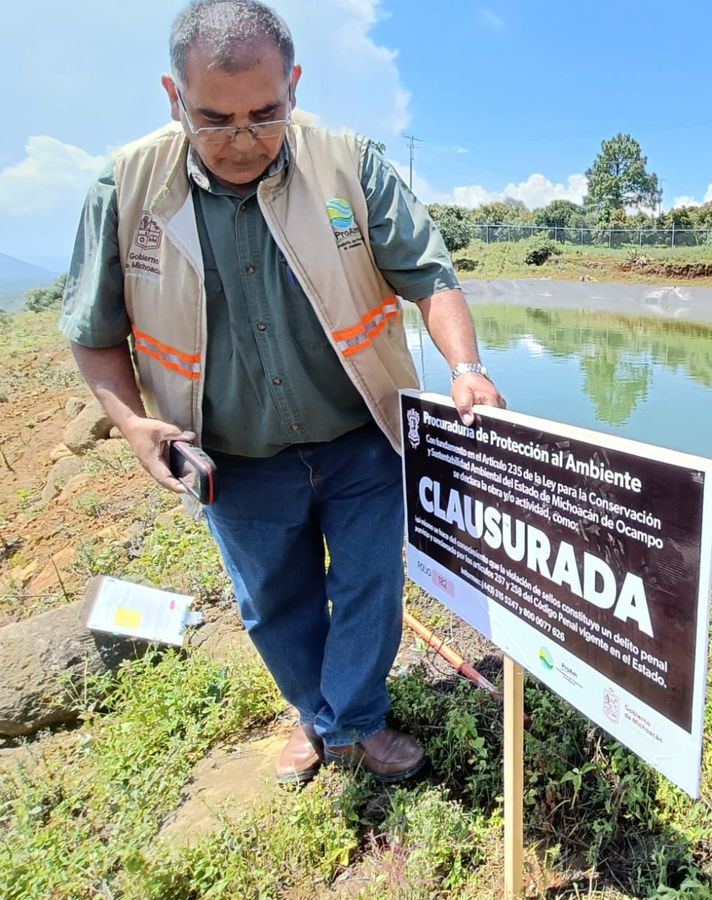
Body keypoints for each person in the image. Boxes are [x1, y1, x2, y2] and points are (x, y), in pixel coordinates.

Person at [59, 0, 504, 784]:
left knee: (369, 589)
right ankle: (315, 715)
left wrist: (467, 368)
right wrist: (131, 423)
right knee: (272, 601)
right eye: (214, 118)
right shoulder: (125, 188)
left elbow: (430, 278)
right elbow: (94, 333)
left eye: (265, 115)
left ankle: (355, 723)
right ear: (174, 97)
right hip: (235, 455)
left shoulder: (348, 164)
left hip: (362, 436)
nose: (242, 140)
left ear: (293, 86)